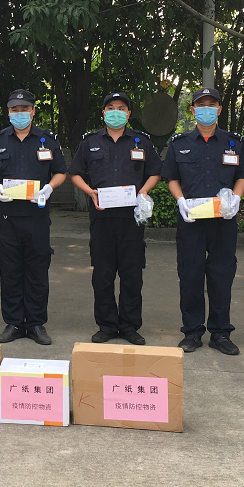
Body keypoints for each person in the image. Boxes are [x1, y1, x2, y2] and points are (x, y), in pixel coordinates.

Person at [161, 87, 244, 355]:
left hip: (223, 221)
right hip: (191, 221)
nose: (206, 109)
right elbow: (172, 178)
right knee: (190, 275)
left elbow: (243, 176)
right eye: (201, 105)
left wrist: (236, 198)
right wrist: (180, 201)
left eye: (211, 104)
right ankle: (192, 332)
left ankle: (220, 332)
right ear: (193, 110)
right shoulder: (179, 143)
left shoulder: (234, 142)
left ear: (219, 109)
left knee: (221, 276)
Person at [69, 92, 162, 345]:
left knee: (132, 274)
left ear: (128, 113)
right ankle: (107, 325)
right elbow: (75, 173)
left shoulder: (141, 141)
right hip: (102, 217)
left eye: (121, 108)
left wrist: (143, 192)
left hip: (131, 219)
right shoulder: (90, 141)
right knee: (103, 273)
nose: (116, 112)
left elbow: (155, 172)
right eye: (110, 107)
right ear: (103, 112)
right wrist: (90, 192)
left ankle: (129, 326)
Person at [0, 89, 67, 345]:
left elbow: (60, 171)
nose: (19, 114)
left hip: (37, 217)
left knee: (37, 270)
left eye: (24, 109)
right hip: (7, 218)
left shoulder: (47, 140)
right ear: (8, 112)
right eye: (14, 110)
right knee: (10, 271)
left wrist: (49, 188)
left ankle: (36, 323)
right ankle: (14, 323)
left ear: (33, 111)